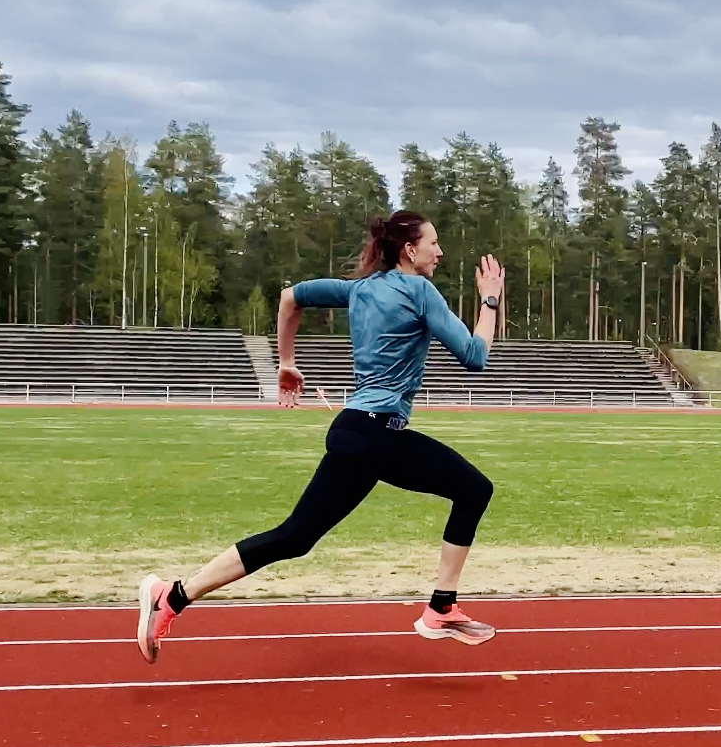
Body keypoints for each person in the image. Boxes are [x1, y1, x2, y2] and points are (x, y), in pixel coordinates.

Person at [136, 211, 504, 659]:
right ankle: (169, 597)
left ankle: (442, 608)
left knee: (469, 490)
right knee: (293, 537)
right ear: (410, 250)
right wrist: (489, 301)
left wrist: (286, 362)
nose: (440, 251)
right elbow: (473, 356)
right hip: (371, 436)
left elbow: (290, 296)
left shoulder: (359, 290)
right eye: (434, 242)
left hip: (371, 435)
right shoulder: (418, 290)